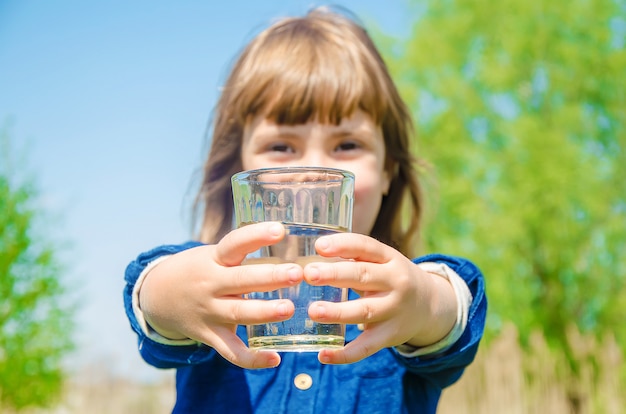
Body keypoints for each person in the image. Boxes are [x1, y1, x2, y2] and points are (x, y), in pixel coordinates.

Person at [123, 6, 486, 413]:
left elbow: (455, 307)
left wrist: (421, 302)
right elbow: (150, 293)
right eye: (282, 147)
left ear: (388, 172)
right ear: (239, 169)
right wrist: (172, 294)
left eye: (347, 145)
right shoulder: (215, 288)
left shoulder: (403, 302)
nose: (313, 172)